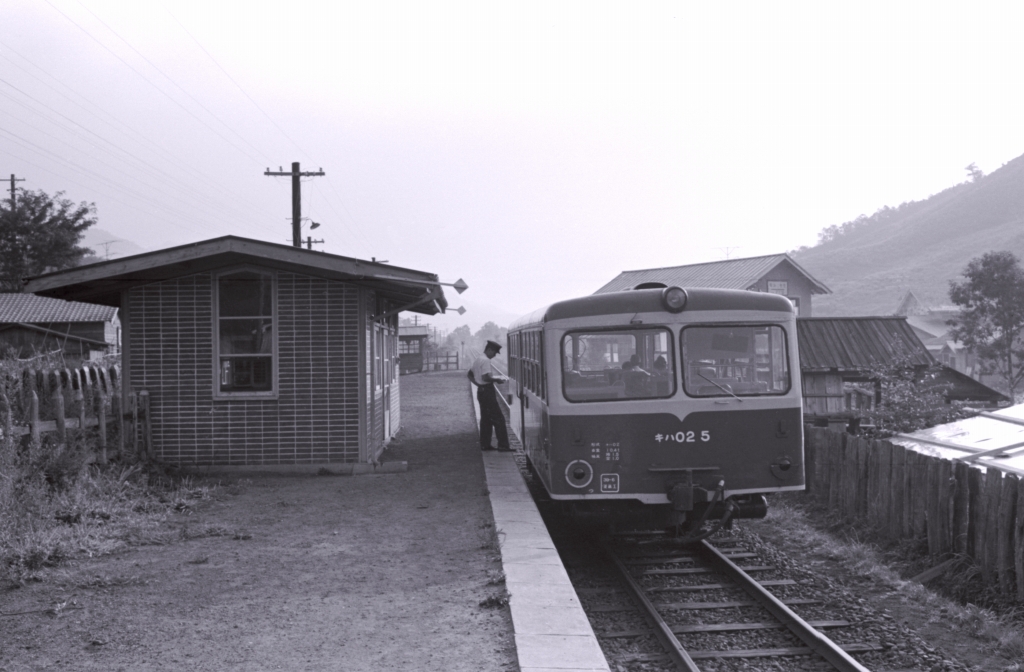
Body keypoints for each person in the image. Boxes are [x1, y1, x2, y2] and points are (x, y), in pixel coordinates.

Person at [468, 340, 512, 452]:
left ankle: (485, 445)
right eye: (495, 352)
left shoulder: (478, 359)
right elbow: (485, 378)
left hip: (481, 392)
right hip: (487, 392)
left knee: (486, 419)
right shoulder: (486, 360)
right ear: (489, 350)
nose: (495, 355)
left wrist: (478, 385)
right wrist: (497, 380)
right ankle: (503, 446)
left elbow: (469, 374)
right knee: (499, 419)